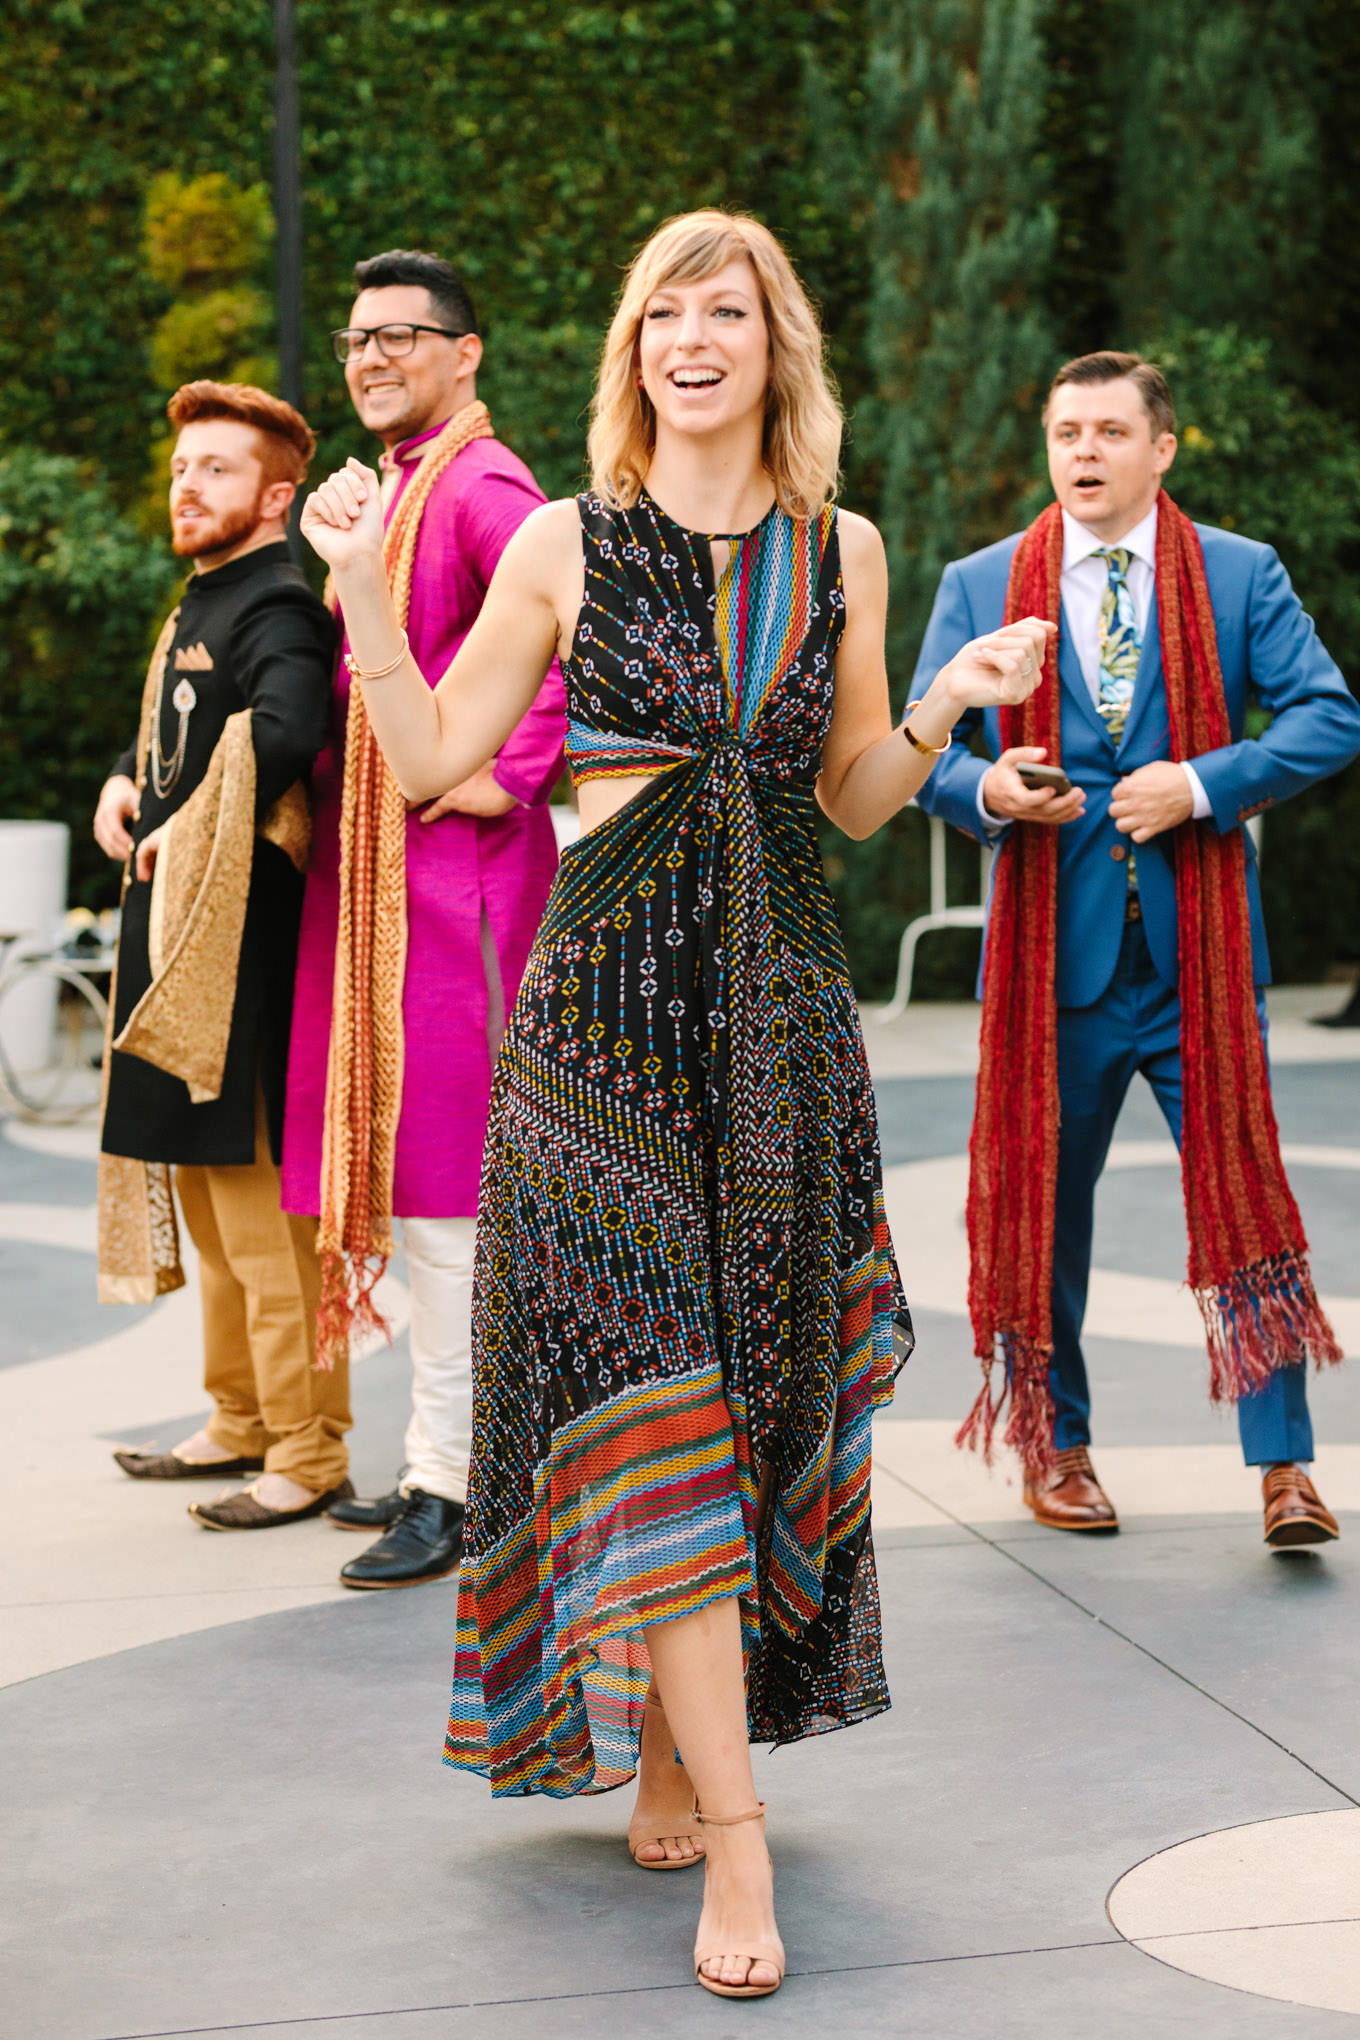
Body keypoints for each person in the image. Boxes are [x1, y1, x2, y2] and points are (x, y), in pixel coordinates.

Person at [301, 208, 1048, 2000]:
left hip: (781, 1023)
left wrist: (946, 698)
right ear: (631, 345)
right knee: (662, 1408)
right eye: (664, 312)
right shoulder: (566, 539)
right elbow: (429, 759)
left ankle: (671, 1746)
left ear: (777, 345)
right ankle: (739, 1839)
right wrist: (354, 594)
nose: (693, 337)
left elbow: (859, 796)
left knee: (753, 1399)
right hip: (606, 1029)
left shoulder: (842, 548)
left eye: (729, 311)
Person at [908, 350, 1360, 1547]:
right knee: (1044, 1209)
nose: (1085, 453)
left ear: (1161, 448)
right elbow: (926, 754)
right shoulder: (979, 582)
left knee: (1246, 1199)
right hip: (1053, 962)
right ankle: (1056, 1449)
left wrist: (1204, 786)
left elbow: (1327, 716)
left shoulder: (1236, 572)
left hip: (1200, 960)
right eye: (1067, 432)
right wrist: (992, 790)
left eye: (1110, 431)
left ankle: (1284, 1469)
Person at [281, 250, 567, 1591]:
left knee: (453, 1197)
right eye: (357, 340)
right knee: (413, 1182)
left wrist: (498, 778)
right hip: (387, 891)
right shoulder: (399, 489)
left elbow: (567, 645)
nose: (375, 357)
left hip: (461, 890)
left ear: (468, 355)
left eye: (405, 336)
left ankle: (455, 1482)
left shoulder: (485, 486)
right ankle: (437, 1452)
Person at [96, 379, 351, 1530]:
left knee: (261, 1216)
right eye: (179, 468)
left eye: (215, 468)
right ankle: (238, 1417)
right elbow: (173, 735)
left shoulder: (279, 605)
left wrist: (183, 820)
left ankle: (310, 1446)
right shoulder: (202, 600)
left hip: (241, 953)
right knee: (204, 1197)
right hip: (176, 938)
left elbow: (290, 732)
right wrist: (123, 786)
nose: (186, 485)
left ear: (276, 495)